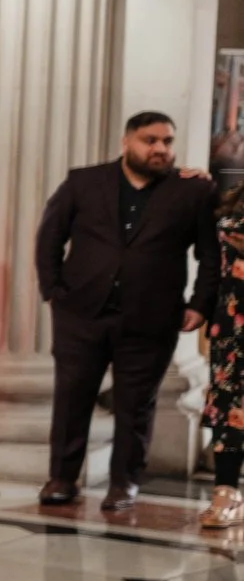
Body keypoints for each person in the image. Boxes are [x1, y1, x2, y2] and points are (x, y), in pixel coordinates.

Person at [34, 111, 218, 511]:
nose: (160, 149)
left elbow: (210, 255)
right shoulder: (83, 182)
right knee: (71, 399)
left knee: (136, 404)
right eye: (149, 140)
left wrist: (200, 304)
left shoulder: (193, 191)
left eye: (167, 141)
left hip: (152, 316)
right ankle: (62, 478)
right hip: (81, 313)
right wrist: (53, 291)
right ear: (126, 142)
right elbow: (50, 234)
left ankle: (124, 484)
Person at [199, 181, 244, 530]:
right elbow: (213, 266)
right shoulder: (231, 199)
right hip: (231, 324)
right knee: (227, 407)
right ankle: (226, 490)